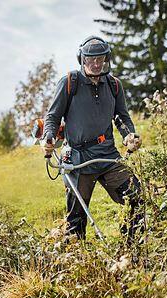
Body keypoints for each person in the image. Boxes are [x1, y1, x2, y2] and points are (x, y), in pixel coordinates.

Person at [42, 36, 143, 243]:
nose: (96, 64)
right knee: (76, 220)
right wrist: (48, 137)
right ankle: (79, 263)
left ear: (107, 59)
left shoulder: (114, 85)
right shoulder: (70, 82)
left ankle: (132, 250)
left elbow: (121, 117)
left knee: (136, 197)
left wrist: (129, 135)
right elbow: (52, 117)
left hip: (107, 156)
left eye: (101, 59)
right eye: (91, 59)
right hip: (78, 159)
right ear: (82, 59)